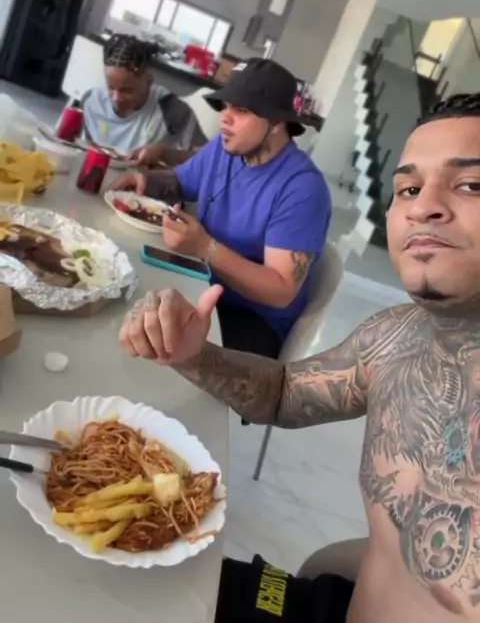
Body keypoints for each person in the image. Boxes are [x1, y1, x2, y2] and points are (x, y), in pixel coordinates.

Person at [119, 92, 480, 621]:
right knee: (119, 579)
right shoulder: (396, 336)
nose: (423, 206)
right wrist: (195, 355)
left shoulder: (299, 185)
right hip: (327, 606)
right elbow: (285, 392)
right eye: (408, 188)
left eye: (471, 184)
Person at [112, 58, 331, 359]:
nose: (224, 119)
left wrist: (204, 247)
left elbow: (281, 290)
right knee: (123, 300)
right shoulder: (225, 148)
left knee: (145, 339)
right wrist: (145, 181)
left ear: (277, 122)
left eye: (241, 110)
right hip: (197, 282)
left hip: (250, 322)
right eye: (225, 106)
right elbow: (181, 181)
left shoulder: (303, 189)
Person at [82, 34, 205, 164]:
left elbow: (207, 159)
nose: (116, 98)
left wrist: (163, 153)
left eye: (127, 91)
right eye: (110, 87)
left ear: (148, 82)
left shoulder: (173, 111)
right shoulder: (91, 103)